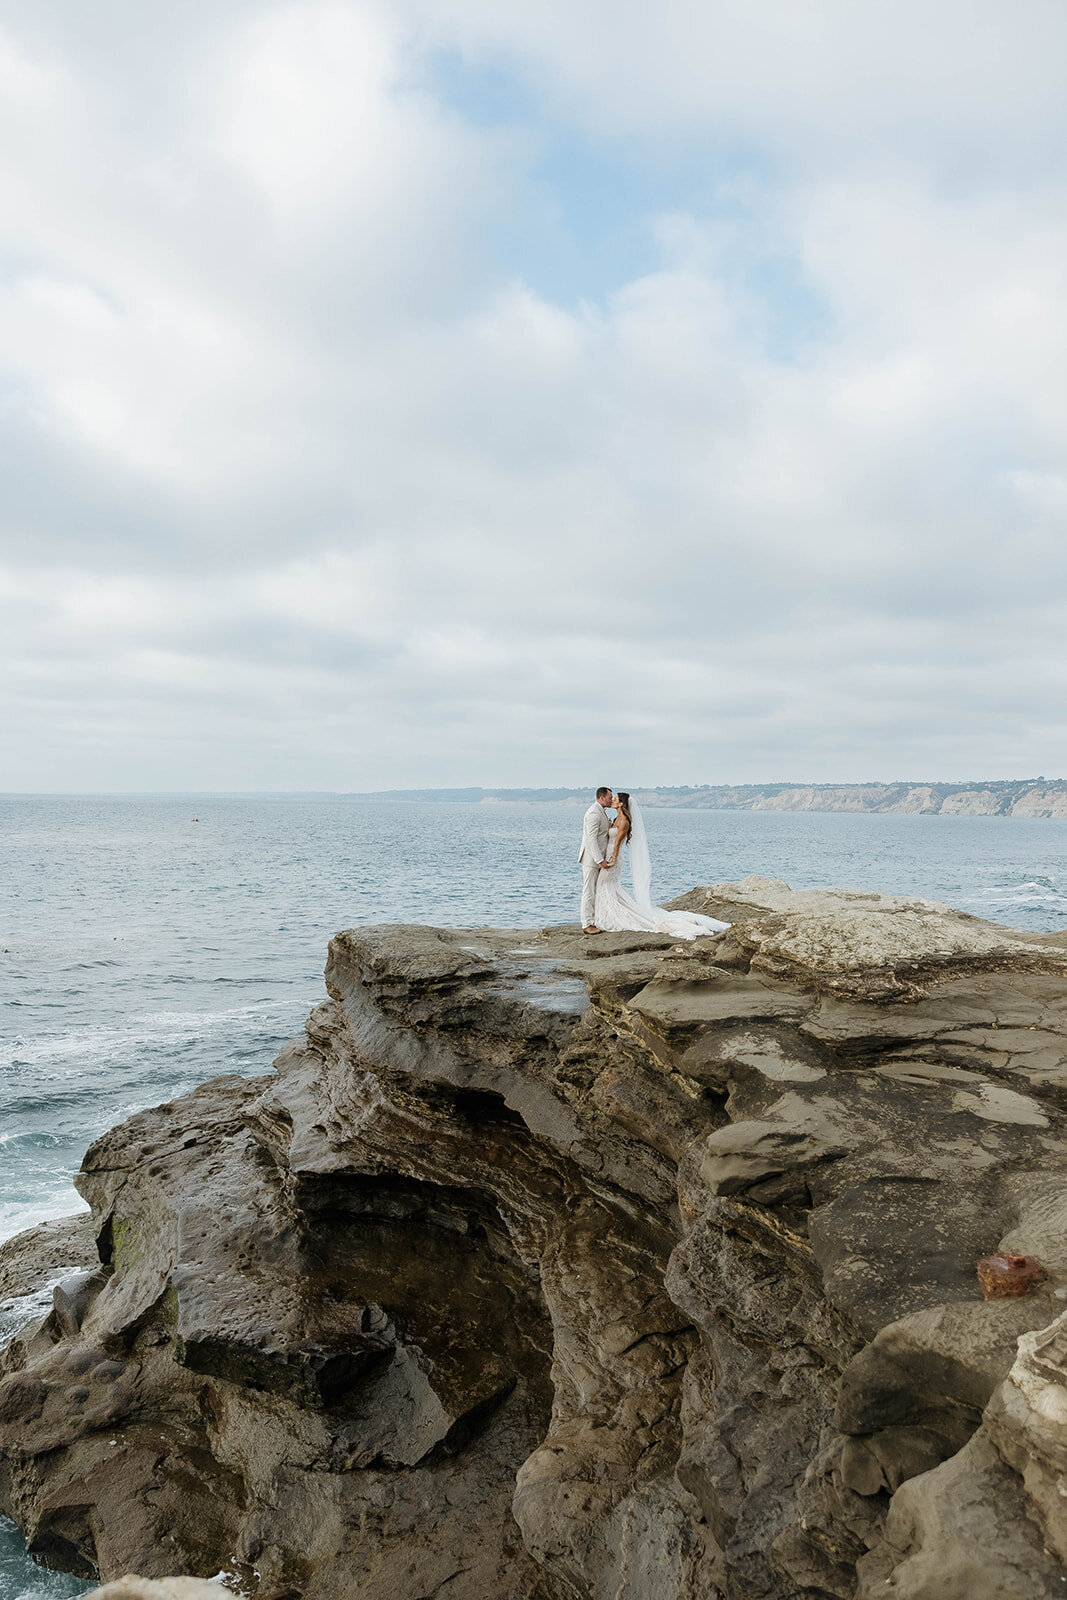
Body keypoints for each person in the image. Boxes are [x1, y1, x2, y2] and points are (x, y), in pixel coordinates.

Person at [594, 791, 730, 940]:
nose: (612, 800)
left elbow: (618, 844)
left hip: (613, 857)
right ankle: (609, 913)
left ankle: (613, 916)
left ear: (621, 804)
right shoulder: (616, 818)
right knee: (608, 887)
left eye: (615, 799)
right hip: (608, 855)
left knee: (604, 885)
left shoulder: (624, 821)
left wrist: (612, 859)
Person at [578, 786, 613, 933]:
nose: (612, 800)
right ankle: (587, 924)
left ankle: (595, 919)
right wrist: (599, 860)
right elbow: (591, 839)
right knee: (589, 890)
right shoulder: (593, 813)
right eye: (610, 798)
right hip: (591, 859)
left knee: (595, 890)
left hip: (598, 858)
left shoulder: (601, 812)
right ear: (602, 797)